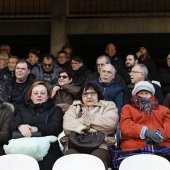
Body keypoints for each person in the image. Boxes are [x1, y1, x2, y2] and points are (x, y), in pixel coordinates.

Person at [109, 81, 170, 169]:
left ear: (152, 95)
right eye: (141, 93)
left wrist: (159, 133)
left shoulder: (164, 110)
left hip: (160, 144)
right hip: (134, 146)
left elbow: (168, 125)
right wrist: (145, 132)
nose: (144, 96)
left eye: (147, 93)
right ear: (135, 95)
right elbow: (126, 125)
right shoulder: (127, 108)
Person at [62, 83, 119, 170]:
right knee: (70, 156)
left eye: (92, 93)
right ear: (81, 97)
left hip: (101, 145)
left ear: (98, 95)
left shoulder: (108, 105)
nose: (89, 97)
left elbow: (110, 124)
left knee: (97, 157)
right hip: (75, 144)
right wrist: (88, 128)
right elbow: (67, 126)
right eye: (85, 94)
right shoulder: (73, 107)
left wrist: (83, 121)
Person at [10, 81, 63, 170]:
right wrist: (20, 126)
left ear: (48, 96)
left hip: (48, 149)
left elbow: (56, 127)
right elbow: (12, 123)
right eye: (36, 93)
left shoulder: (55, 109)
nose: (39, 95)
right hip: (23, 146)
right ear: (30, 96)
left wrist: (37, 128)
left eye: (42, 93)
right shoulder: (22, 110)